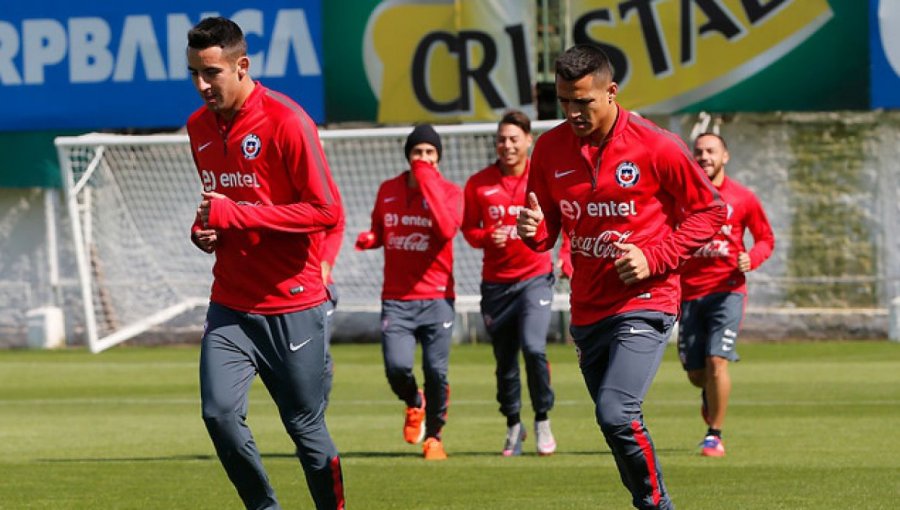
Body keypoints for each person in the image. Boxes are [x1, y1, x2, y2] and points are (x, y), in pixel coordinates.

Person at [516, 44, 726, 510]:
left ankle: (657, 506)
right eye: (565, 101)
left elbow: (711, 211)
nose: (573, 112)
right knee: (613, 423)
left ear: (611, 92)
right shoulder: (548, 149)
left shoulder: (657, 146)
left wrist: (656, 256)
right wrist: (532, 232)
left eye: (584, 101)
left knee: (616, 412)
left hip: (646, 300)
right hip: (588, 309)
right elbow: (546, 228)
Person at [185, 17, 345, 510]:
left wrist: (234, 215)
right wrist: (205, 231)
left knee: (306, 429)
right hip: (231, 303)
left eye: (211, 73)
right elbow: (220, 208)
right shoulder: (198, 127)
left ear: (242, 65)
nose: (201, 85)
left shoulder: (287, 121)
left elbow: (326, 212)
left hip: (292, 304)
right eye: (193, 72)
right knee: (219, 415)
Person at [355, 124, 463, 460]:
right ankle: (414, 402)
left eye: (430, 153)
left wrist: (428, 183)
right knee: (396, 367)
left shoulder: (450, 192)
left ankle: (434, 436)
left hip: (437, 298)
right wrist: (370, 239)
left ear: (439, 158)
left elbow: (446, 230)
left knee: (436, 370)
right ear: (408, 155)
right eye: (418, 152)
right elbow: (380, 229)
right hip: (397, 299)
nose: (424, 158)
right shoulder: (388, 189)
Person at [461, 110, 557, 456]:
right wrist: (489, 236)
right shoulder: (478, 183)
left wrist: (562, 252)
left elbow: (565, 218)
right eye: (502, 139)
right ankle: (513, 425)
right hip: (496, 286)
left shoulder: (544, 176)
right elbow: (469, 231)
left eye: (514, 138)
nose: (507, 145)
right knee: (505, 360)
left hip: (535, 278)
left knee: (534, 348)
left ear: (528, 140)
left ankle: (543, 418)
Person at [679, 133, 774, 457]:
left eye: (711, 151)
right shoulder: (683, 197)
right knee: (696, 374)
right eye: (699, 152)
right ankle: (710, 395)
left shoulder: (743, 198)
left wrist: (753, 258)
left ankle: (714, 435)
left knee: (717, 361)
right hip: (688, 294)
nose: (704, 156)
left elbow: (765, 239)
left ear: (725, 156)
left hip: (728, 291)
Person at [321, 211, 345, 408]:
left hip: (318, 288)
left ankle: (316, 415)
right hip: (274, 288)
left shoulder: (321, 183)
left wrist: (325, 263)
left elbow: (336, 224)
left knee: (319, 354)